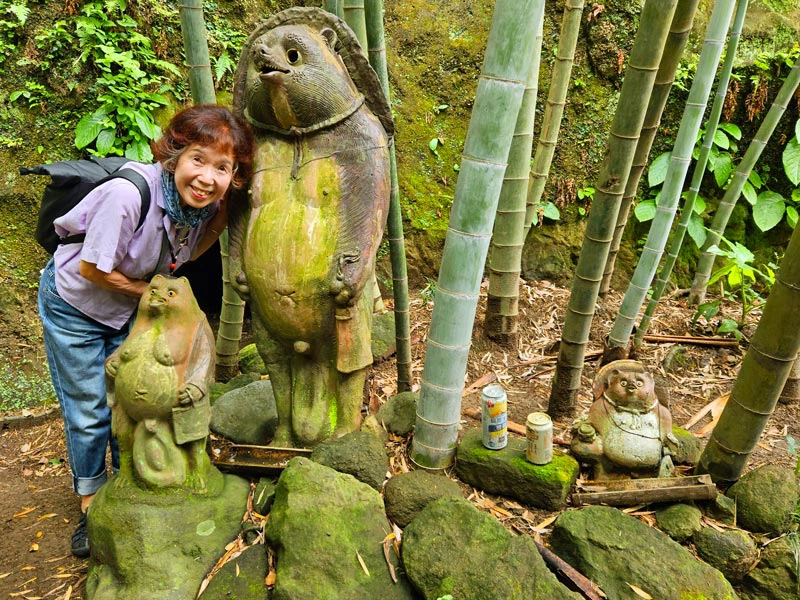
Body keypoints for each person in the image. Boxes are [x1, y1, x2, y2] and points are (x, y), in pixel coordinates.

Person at [37, 104, 254, 558]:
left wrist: (220, 217)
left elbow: (191, 254)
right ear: (175, 154)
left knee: (126, 398)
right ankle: (92, 503)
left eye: (222, 168)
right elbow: (93, 269)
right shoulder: (129, 194)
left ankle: (130, 476)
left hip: (127, 307)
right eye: (198, 159)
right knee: (90, 407)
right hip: (77, 303)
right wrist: (156, 295)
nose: (207, 177)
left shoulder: (198, 210)